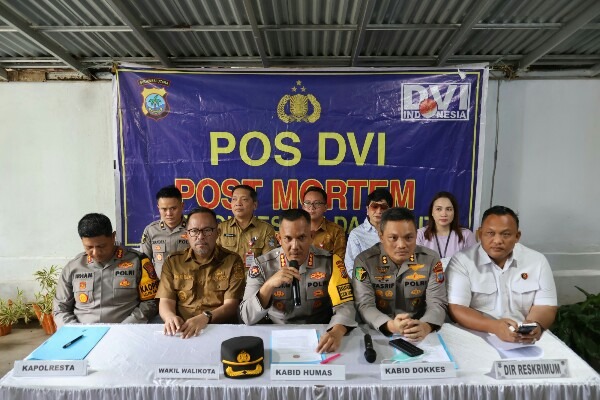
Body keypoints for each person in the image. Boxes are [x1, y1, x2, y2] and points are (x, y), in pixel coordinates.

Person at [240, 209, 356, 353]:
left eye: (301, 238)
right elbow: (246, 316)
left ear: (311, 236)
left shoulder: (331, 262)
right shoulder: (262, 265)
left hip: (322, 334)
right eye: (288, 239)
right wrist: (268, 285)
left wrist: (337, 331)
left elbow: (346, 306)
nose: (295, 246)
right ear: (279, 239)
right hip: (277, 334)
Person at [446, 206, 557, 344]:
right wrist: (494, 327)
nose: (497, 240)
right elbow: (457, 308)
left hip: (524, 339)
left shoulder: (537, 261)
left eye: (506, 234)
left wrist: (535, 325)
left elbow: (546, 305)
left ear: (517, 236)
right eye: (490, 233)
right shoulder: (462, 261)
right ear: (479, 234)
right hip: (476, 336)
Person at [352, 207, 447, 340]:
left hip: (419, 333)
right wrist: (390, 326)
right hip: (377, 333)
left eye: (409, 237)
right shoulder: (364, 262)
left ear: (416, 235)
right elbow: (365, 305)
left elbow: (437, 302)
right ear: (381, 236)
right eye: (393, 238)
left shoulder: (430, 259)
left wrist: (426, 326)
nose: (402, 245)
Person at [54, 213, 159, 327]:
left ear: (113, 237)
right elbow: (60, 308)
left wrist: (125, 327)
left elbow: (150, 302)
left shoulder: (138, 261)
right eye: (89, 247)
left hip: (126, 331)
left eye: (101, 246)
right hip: (82, 333)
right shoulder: (73, 267)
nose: (96, 253)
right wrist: (76, 331)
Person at [156, 207, 246, 339]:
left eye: (207, 230)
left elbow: (231, 305)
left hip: (220, 330)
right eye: (194, 231)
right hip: (182, 331)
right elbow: (166, 301)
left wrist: (205, 317)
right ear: (187, 235)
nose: (201, 236)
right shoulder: (173, 262)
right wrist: (170, 317)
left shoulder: (232, 261)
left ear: (217, 233)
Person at [217, 185, 277, 268]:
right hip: (227, 275)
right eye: (234, 199)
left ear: (254, 205)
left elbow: (269, 263)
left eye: (244, 199)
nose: (238, 203)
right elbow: (214, 259)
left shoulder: (266, 229)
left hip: (255, 275)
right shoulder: (221, 228)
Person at [140, 185, 189, 277]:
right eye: (164, 209)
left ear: (182, 206)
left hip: (187, 283)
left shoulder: (192, 229)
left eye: (173, 208)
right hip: (160, 283)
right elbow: (144, 263)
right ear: (158, 208)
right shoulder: (151, 231)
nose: (169, 213)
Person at [417, 191, 476, 268]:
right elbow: (415, 264)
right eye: (438, 209)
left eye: (448, 209)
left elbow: (473, 265)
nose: (444, 214)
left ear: (454, 212)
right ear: (432, 212)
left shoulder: (466, 235)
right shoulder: (420, 234)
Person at [345, 188, 393, 277]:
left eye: (383, 207)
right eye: (374, 206)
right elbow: (352, 267)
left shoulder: (397, 232)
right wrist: (367, 283)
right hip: (366, 283)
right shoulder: (357, 234)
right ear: (367, 209)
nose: (378, 211)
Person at [301, 186, 346, 259]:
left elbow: (339, 261)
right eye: (307, 203)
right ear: (303, 207)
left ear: (325, 207)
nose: (312, 207)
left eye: (317, 203)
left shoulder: (336, 231)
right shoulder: (295, 229)